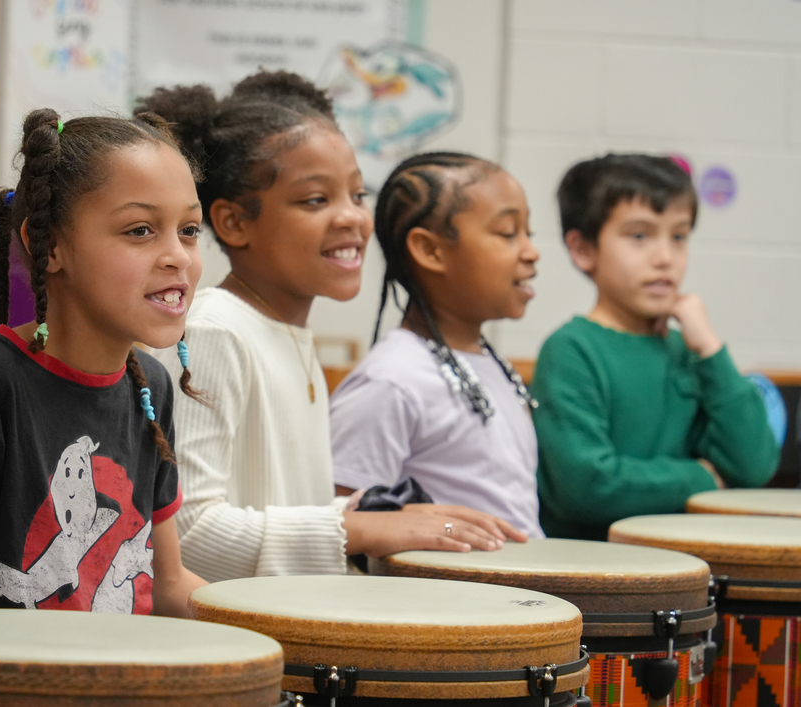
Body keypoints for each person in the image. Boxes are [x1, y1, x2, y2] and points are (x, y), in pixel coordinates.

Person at [140, 71, 524, 584]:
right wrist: (354, 529)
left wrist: (381, 514)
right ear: (234, 222)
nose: (352, 218)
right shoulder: (215, 331)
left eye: (358, 194)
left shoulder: (285, 334)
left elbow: (278, 504)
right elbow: (188, 536)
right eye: (315, 200)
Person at [0, 109, 207, 615]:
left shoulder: (151, 386)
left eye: (187, 230)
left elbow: (166, 582)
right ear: (48, 245)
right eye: (140, 231)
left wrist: (267, 632)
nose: (178, 256)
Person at [533, 153, 779, 540]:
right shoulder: (571, 350)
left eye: (679, 237)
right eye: (639, 236)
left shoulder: (689, 351)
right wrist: (700, 476)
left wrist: (711, 349)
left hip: (688, 568)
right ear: (583, 250)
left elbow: (753, 466)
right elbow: (588, 487)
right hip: (598, 578)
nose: (665, 258)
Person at [330, 152, 543, 538]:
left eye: (530, 233)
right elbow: (341, 527)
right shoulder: (392, 380)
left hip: (514, 594)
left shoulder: (485, 361)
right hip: (454, 595)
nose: (531, 252)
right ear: (430, 250)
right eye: (508, 233)